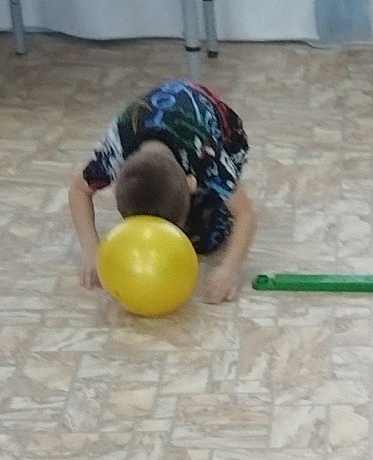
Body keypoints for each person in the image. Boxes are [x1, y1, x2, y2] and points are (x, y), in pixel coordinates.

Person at [68, 80, 255, 303]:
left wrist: (229, 269)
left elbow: (246, 214)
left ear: (190, 184)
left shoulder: (206, 155)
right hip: (157, 121)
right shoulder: (117, 147)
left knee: (206, 238)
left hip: (225, 134)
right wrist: (91, 249)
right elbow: (78, 190)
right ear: (115, 183)